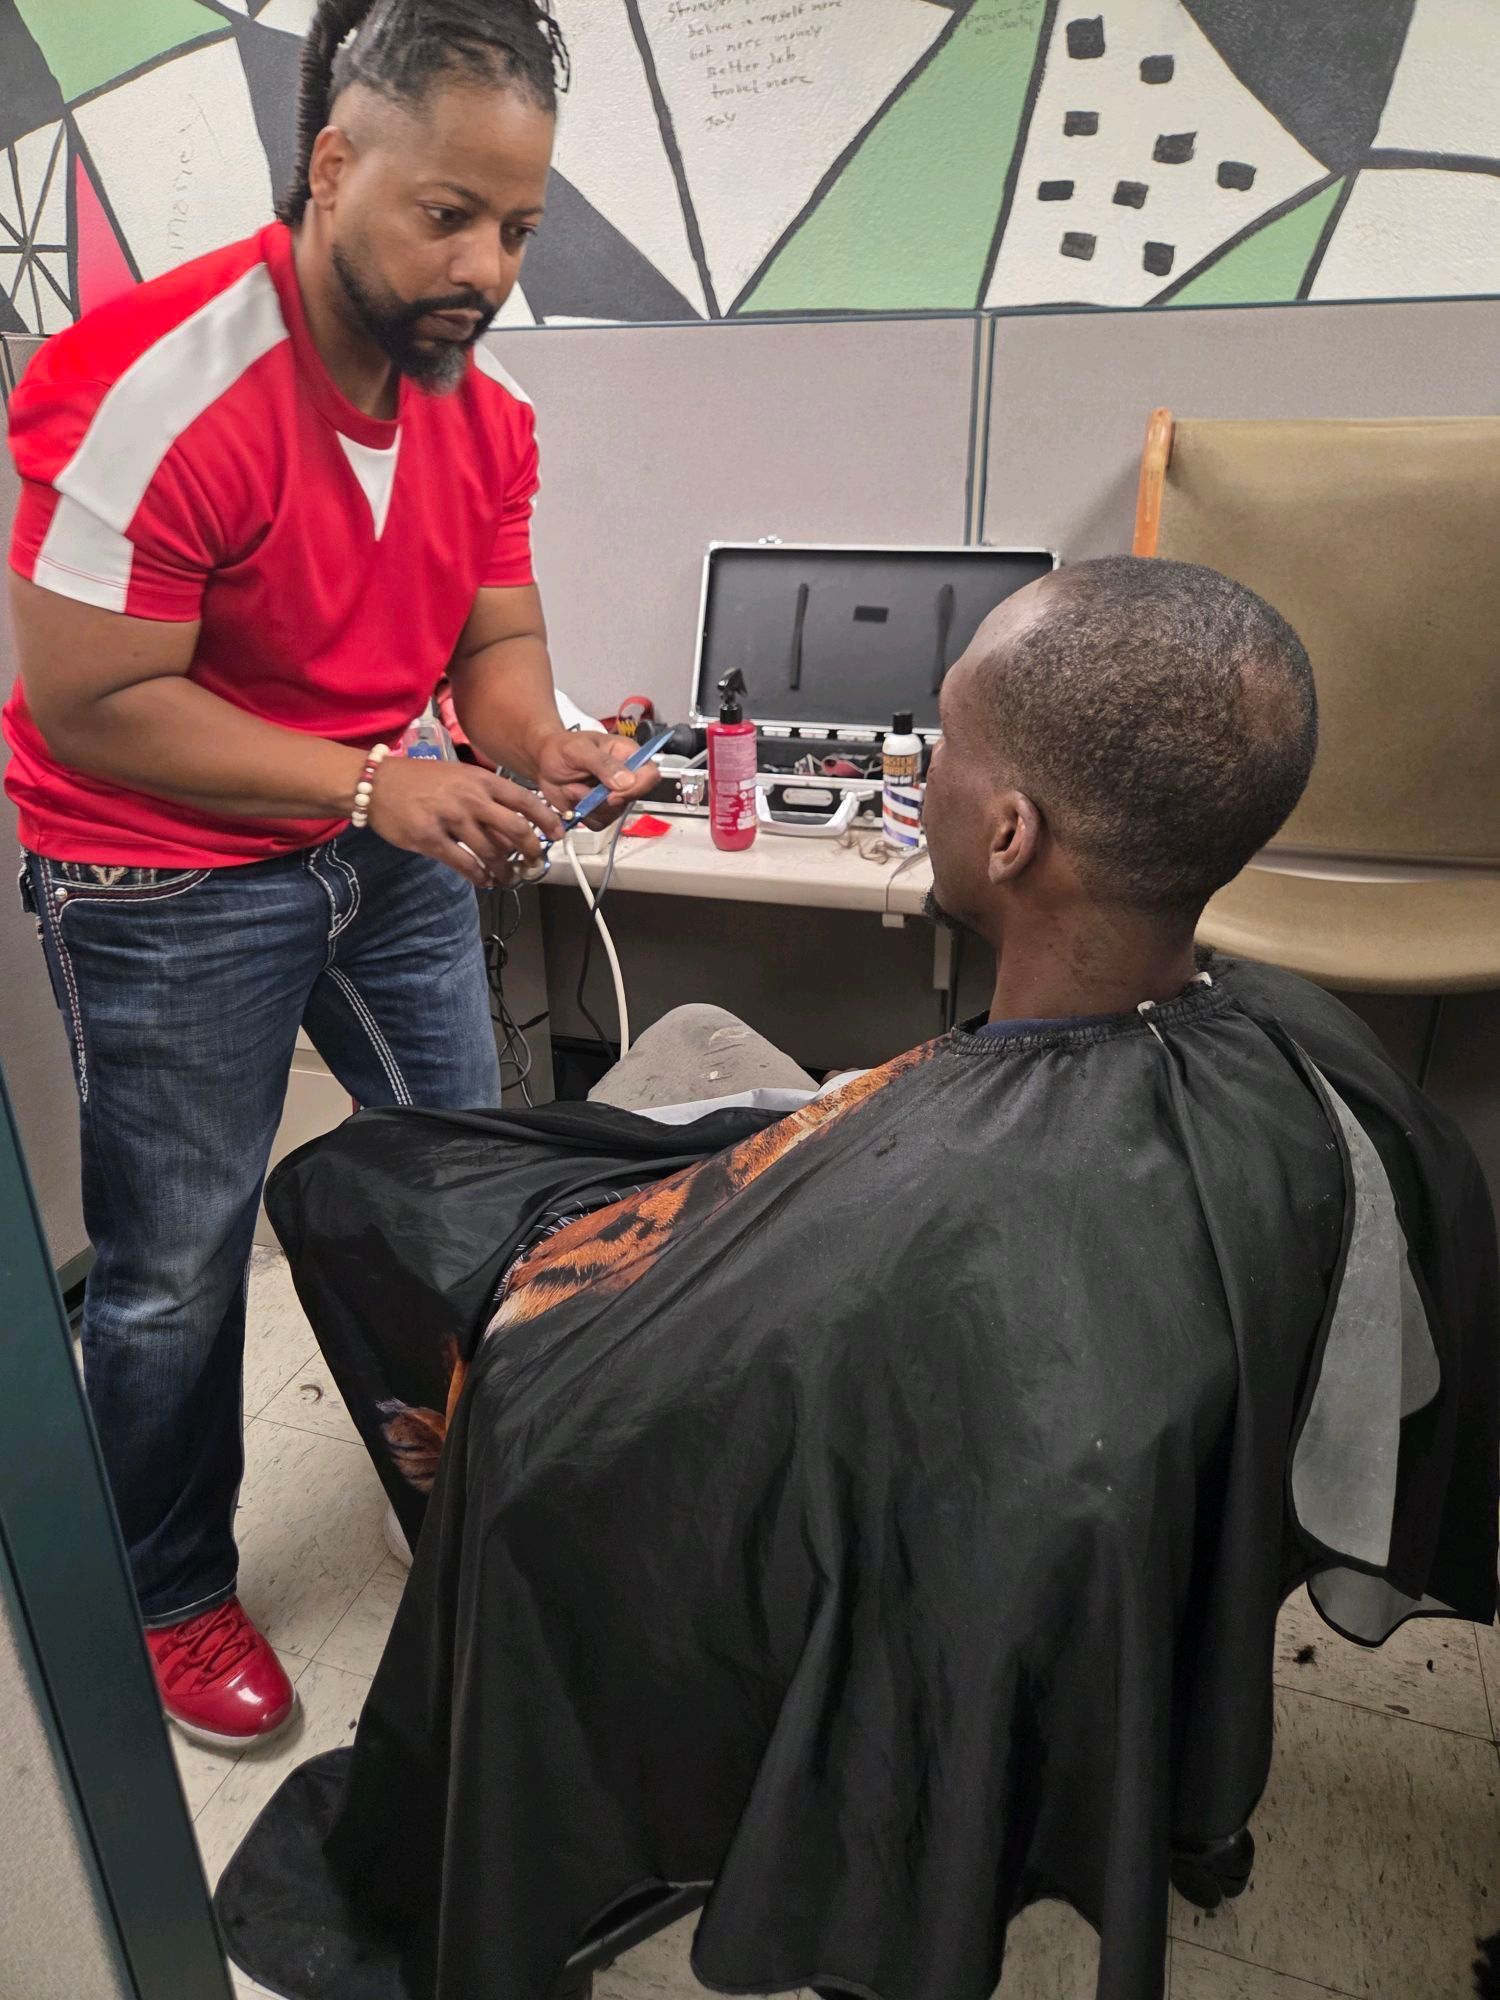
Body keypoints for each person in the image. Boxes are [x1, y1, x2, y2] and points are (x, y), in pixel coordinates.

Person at [215, 558, 1497, 2000]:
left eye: (948, 744)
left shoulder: (951, 1224)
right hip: (1004, 1335)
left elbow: (566, 1435)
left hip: (893, 1301)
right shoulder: (1319, 1059)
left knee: (364, 1197)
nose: (925, 772)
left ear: (1009, 834)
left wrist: (541, 1359)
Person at [2, 0, 657, 1752]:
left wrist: (540, 742)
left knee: (471, 1181)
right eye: (449, 215)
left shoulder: (483, 413)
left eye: (518, 228)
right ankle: (164, 1591)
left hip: (376, 832)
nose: (487, 268)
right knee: (175, 1262)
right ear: (334, 164)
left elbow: (492, 643)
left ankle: (455, 1483)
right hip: (161, 876)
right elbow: (92, 703)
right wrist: (375, 782)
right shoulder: (155, 391)